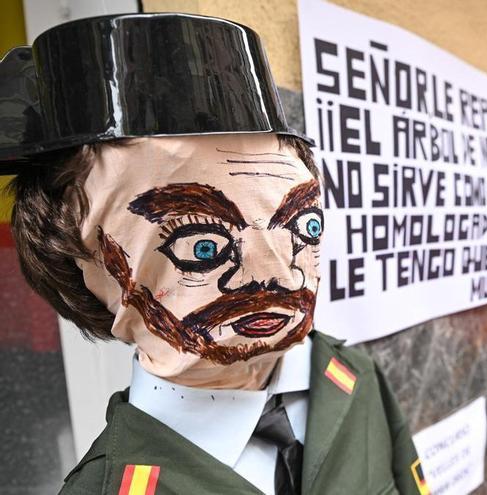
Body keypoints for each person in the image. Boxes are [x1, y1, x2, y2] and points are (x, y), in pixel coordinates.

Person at [1, 13, 429, 495]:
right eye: (203, 248)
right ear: (87, 267)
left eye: (304, 226)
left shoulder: (353, 380)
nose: (284, 281)